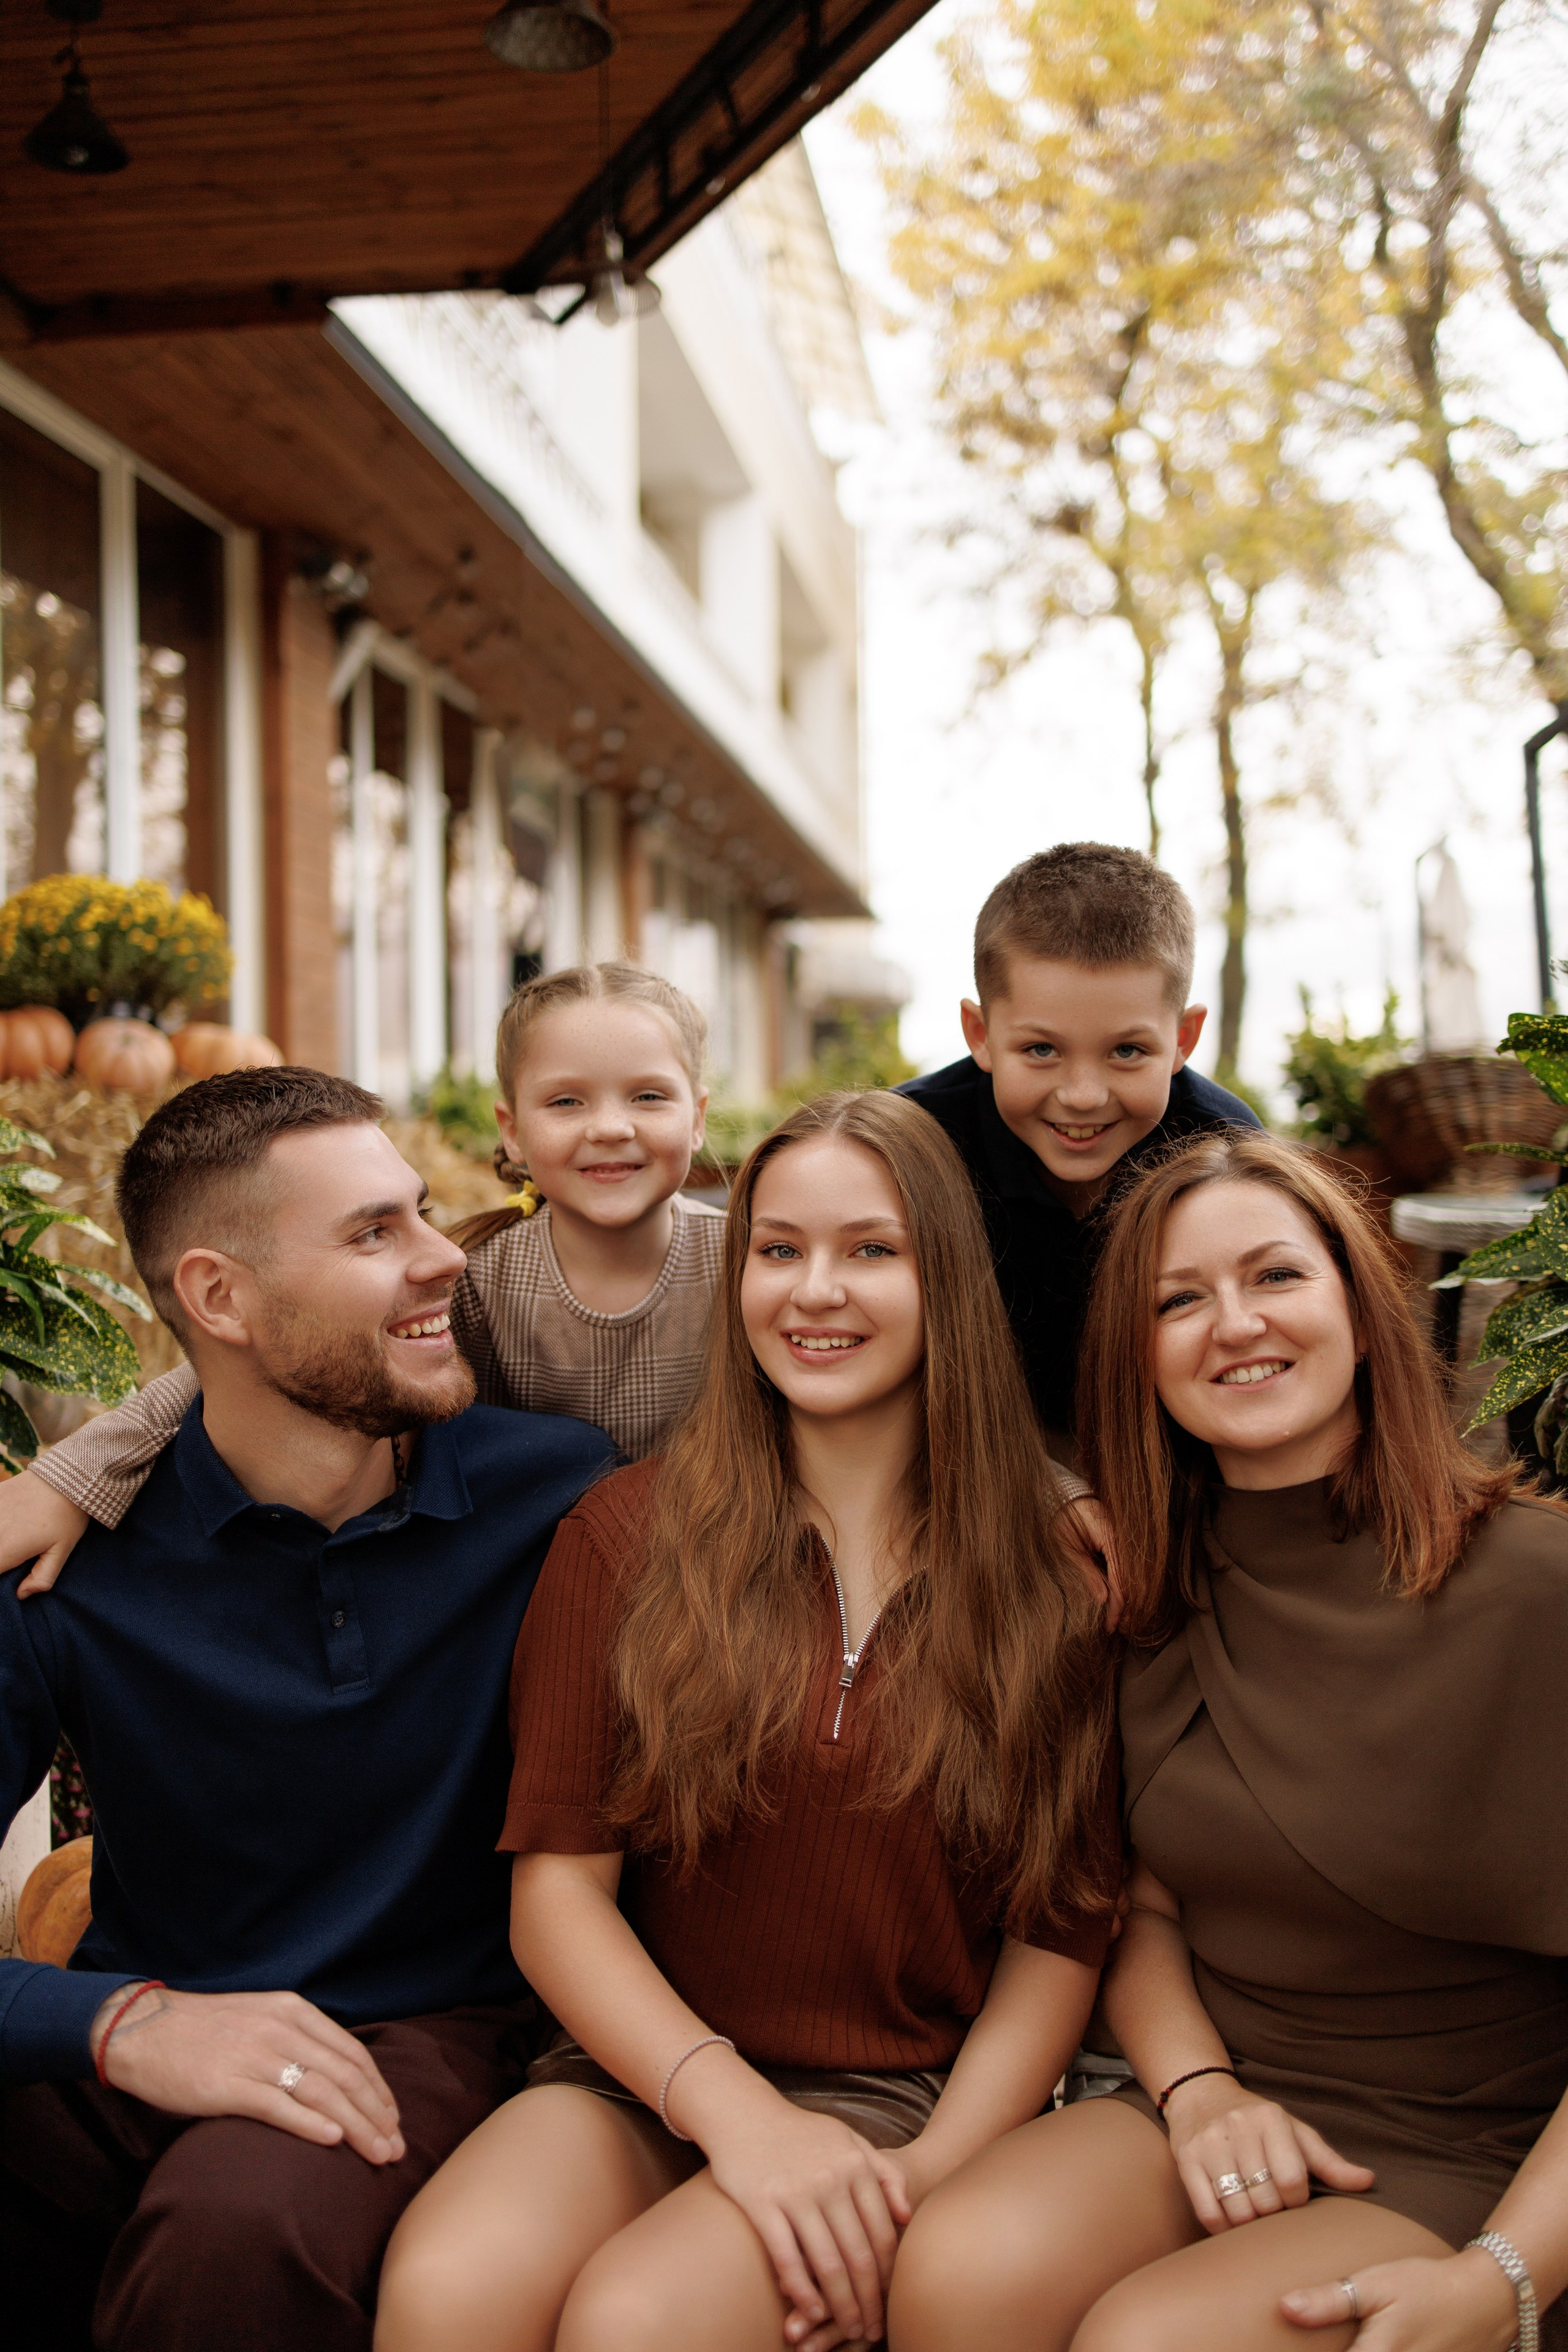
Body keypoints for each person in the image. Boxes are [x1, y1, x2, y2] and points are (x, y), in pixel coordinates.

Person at [372, 1089, 1120, 2352]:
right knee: (449, 2290)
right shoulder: (622, 1537)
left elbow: (1060, 1937)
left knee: (636, 2323)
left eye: (869, 1251)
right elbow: (558, 1898)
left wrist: (928, 2181)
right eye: (776, 1250)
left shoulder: (1055, 1574)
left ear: (944, 1274)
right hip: (637, 2072)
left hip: (898, 2095)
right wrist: (735, 2115)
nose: (812, 1292)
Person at [886, 1130, 1568, 2352]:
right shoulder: (1141, 1591)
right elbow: (1140, 1911)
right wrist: (1198, 2092)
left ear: (1361, 1310)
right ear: (1135, 1360)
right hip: (1224, 2090)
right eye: (1178, 1301)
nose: (1233, 1324)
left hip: (1481, 2147)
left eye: (1274, 1277)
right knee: (955, 2272)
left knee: (1149, 2343)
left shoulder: (1537, 1591)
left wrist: (1500, 2276)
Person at [0, 1068, 614, 2352]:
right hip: (152, 2032)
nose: (446, 1258)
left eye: (422, 1212)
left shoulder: (560, 1502)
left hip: (432, 2032)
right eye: (373, 1233)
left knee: (238, 2227)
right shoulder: (71, 1565)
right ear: (218, 1296)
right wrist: (115, 2018)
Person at [0, 961, 719, 1593]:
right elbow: (233, 1365)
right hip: (530, 1582)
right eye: (567, 1101)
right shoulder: (478, 1273)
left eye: (648, 1097)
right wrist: (72, 1480)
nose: (610, 1127)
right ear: (512, 1130)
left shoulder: (743, 1263)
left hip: (719, 1574)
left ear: (698, 1118)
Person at [898, 842, 1259, 1459]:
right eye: (1041, 1050)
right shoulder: (913, 1143)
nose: (1084, 1096)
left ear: (1184, 1038)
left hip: (1173, 1458)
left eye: (1126, 1052)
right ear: (980, 1035)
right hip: (960, 1463)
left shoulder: (1223, 1148)